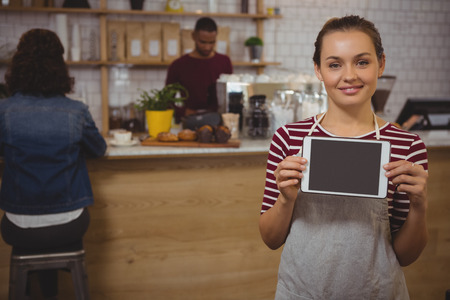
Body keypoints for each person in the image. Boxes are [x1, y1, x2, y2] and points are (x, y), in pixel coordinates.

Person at [259, 15, 428, 299]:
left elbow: (406, 256)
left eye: (362, 62)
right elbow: (270, 239)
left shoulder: (407, 145)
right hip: (301, 292)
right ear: (318, 70)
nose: (349, 75)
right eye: (334, 64)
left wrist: (420, 206)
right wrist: (286, 199)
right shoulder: (289, 138)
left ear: (381, 64)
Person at [0, 29, 106, 298]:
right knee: (58, 231)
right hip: (68, 223)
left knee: (30, 238)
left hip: (19, 227)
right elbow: (99, 149)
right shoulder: (77, 111)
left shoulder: (4, 111)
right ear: (60, 67)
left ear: (17, 66)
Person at [165, 17, 233, 122]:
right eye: (203, 42)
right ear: (193, 36)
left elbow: (230, 97)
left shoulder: (224, 62)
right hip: (190, 122)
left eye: (212, 42)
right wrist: (184, 112)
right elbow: (167, 101)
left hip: (219, 122)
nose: (207, 47)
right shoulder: (178, 65)